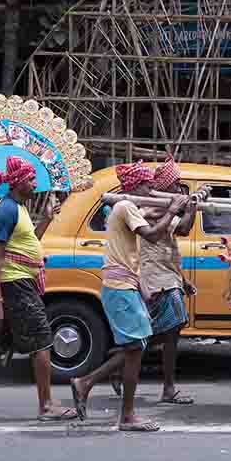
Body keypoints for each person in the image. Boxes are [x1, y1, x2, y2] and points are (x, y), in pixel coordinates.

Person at [69, 161, 192, 432]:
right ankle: (112, 404)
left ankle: (90, 386)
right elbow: (150, 235)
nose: (151, 188)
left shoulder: (131, 208)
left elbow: (134, 253)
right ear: (136, 186)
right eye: (147, 185)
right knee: (136, 347)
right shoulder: (125, 207)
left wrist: (142, 288)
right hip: (118, 286)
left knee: (137, 346)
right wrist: (172, 208)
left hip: (128, 285)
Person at [0, 157, 77, 421]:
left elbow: (29, 241)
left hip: (22, 282)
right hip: (15, 284)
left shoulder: (20, 208)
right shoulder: (6, 211)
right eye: (31, 178)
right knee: (43, 339)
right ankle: (46, 406)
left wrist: (46, 220)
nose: (35, 183)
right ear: (18, 181)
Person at [139, 158, 206, 405]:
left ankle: (123, 359)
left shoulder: (164, 208)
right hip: (157, 278)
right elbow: (184, 229)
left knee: (168, 331)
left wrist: (183, 280)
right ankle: (164, 386)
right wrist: (191, 209)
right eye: (176, 185)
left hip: (169, 277)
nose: (179, 190)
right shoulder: (150, 211)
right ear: (166, 187)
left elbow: (172, 248)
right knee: (169, 331)